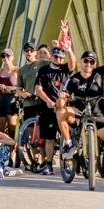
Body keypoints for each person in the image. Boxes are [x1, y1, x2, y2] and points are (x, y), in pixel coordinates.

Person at [60, 49, 104, 181]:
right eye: (86, 61)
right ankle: (69, 143)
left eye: (91, 62)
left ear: (95, 63)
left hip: (97, 114)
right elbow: (64, 93)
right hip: (78, 112)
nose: (88, 64)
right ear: (81, 62)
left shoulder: (100, 73)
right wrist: (62, 97)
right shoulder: (74, 79)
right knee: (60, 111)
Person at [34, 45, 76, 175]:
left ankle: (71, 161)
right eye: (56, 56)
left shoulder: (64, 69)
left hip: (63, 107)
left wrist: (69, 49)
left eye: (60, 57)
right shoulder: (43, 70)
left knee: (69, 133)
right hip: (48, 107)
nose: (58, 59)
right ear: (51, 56)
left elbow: (73, 65)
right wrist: (48, 101)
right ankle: (48, 165)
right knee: (49, 138)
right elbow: (38, 88)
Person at [0, 48, 22, 139]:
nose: (5, 58)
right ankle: (1, 151)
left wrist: (8, 88)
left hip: (12, 101)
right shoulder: (0, 71)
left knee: (12, 129)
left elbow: (20, 88)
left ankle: (12, 150)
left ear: (12, 57)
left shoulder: (17, 70)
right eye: (3, 56)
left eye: (8, 56)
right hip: (1, 100)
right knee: (0, 130)